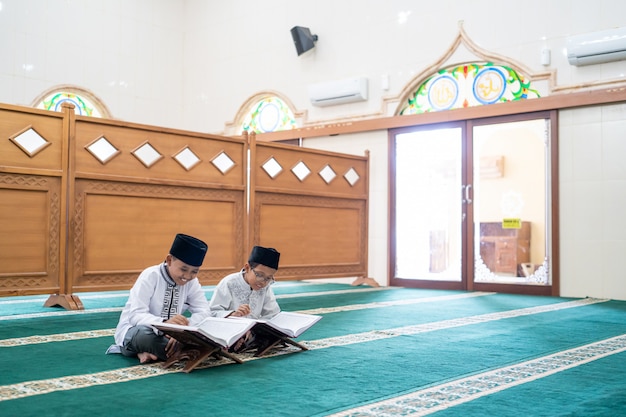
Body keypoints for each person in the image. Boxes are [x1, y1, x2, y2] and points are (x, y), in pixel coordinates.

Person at [106, 233, 213, 363]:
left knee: (209, 332)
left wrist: (183, 331)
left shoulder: (192, 282)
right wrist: (164, 324)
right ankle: (192, 351)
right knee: (144, 337)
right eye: (183, 269)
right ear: (169, 260)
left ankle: (154, 352)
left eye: (194, 271)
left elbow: (204, 311)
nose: (188, 276)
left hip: (174, 335)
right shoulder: (150, 276)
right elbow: (135, 315)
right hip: (139, 330)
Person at [209, 245, 281, 352]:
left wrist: (253, 326)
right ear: (247, 268)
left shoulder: (265, 287)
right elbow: (213, 312)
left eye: (269, 278)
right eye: (259, 275)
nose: (263, 281)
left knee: (277, 332)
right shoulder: (229, 282)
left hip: (252, 330)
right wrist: (233, 314)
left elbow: (273, 314)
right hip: (230, 326)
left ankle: (248, 340)